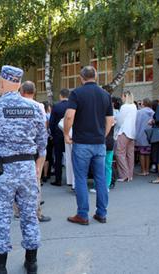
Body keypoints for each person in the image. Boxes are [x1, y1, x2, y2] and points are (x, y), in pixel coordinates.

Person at [0, 66, 47, 274]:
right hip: (27, 169)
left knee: (2, 217)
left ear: (1, 82)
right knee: (29, 214)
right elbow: (42, 144)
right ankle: (32, 263)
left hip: (2, 171)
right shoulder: (34, 108)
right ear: (20, 84)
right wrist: (38, 169)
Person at [64, 66, 114, 225]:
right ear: (96, 76)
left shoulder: (77, 93)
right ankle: (101, 213)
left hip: (82, 143)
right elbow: (110, 121)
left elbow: (69, 116)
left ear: (81, 77)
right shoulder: (106, 95)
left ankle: (82, 214)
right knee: (100, 178)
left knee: (80, 178)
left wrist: (66, 133)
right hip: (99, 143)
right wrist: (102, 135)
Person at [19, 80, 51, 223]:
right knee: (35, 180)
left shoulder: (15, 105)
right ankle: (36, 212)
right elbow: (42, 129)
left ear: (22, 92)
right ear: (34, 92)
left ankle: (17, 210)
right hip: (33, 149)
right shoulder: (38, 106)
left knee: (17, 181)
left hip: (17, 150)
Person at [49, 89, 70, 186]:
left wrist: (53, 134)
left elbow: (52, 123)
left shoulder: (56, 106)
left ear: (61, 96)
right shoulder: (72, 105)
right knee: (71, 157)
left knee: (58, 157)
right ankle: (71, 180)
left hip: (58, 135)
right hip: (70, 134)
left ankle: (58, 179)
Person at [115, 91, 137, 182]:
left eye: (122, 96)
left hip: (124, 131)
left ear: (125, 97)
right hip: (132, 132)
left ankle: (124, 175)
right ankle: (130, 175)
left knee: (120, 153)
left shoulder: (124, 107)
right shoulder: (134, 106)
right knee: (130, 154)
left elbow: (120, 120)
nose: (122, 98)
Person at [135, 98, 154, 176]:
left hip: (141, 134)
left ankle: (143, 171)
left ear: (144, 103)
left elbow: (137, 124)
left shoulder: (140, 112)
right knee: (148, 154)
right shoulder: (153, 112)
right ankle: (147, 170)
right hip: (150, 135)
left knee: (142, 153)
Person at [42, 101, 53, 183]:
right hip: (47, 138)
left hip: (40, 138)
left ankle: (41, 175)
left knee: (41, 156)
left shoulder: (40, 115)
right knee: (47, 157)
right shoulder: (49, 116)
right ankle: (46, 174)